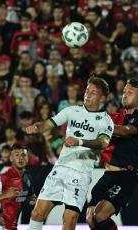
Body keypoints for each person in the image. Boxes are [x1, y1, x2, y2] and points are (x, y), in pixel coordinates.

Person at [26, 76, 114, 230]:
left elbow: (103, 143)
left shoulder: (105, 120)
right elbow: (48, 123)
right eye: (87, 91)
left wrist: (79, 141)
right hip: (60, 168)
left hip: (80, 173)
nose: (88, 94)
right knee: (37, 214)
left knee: (69, 221)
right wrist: (36, 128)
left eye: (93, 93)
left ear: (102, 98)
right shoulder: (72, 110)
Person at [86, 78, 138, 230]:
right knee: (91, 219)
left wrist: (99, 124)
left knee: (100, 215)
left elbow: (124, 131)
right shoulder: (115, 117)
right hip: (107, 176)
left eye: (130, 92)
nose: (125, 95)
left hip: (125, 176)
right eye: (124, 92)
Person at [0, 143, 37, 230]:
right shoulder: (4, 177)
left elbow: (30, 195)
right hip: (0, 226)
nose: (21, 158)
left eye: (23, 155)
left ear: (27, 159)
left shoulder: (28, 177)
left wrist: (34, 201)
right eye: (17, 155)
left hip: (13, 226)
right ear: (11, 158)